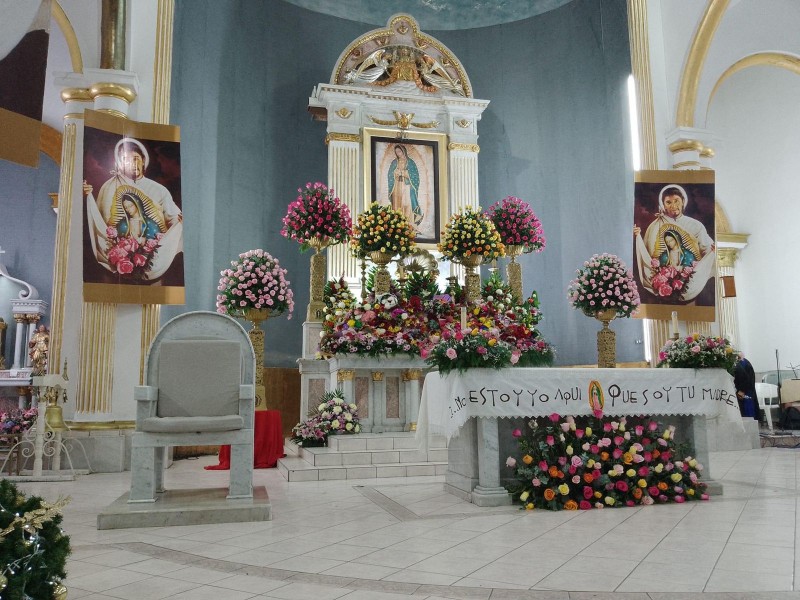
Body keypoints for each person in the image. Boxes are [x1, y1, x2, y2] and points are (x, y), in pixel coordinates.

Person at [84, 137, 183, 281]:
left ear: (143, 160)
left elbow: (173, 217)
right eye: (127, 159)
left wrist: (179, 221)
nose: (133, 163)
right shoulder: (109, 186)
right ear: (121, 163)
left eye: (136, 158)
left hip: (153, 262)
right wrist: (87, 197)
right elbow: (98, 221)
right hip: (116, 265)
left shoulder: (159, 190)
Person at [634, 184, 715, 302]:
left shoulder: (695, 225)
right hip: (663, 285)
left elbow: (706, 249)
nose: (673, 206)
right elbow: (648, 255)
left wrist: (711, 251)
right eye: (668, 202)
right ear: (663, 205)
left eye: (676, 201)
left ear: (683, 201)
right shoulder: (655, 226)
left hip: (690, 283)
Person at [387, 144, 422, 225]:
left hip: (407, 186)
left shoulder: (410, 162)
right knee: (397, 204)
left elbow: (415, 175)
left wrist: (404, 173)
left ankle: (408, 224)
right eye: (396, 152)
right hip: (396, 186)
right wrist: (395, 173)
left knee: (407, 204)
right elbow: (390, 174)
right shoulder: (394, 162)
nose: (398, 153)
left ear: (403, 151)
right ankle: (396, 224)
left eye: (399, 151)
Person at [734, 352, 758, 419]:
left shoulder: (740, 365)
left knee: (747, 412)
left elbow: (745, 378)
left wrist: (741, 390)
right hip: (746, 389)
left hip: (745, 390)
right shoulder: (744, 363)